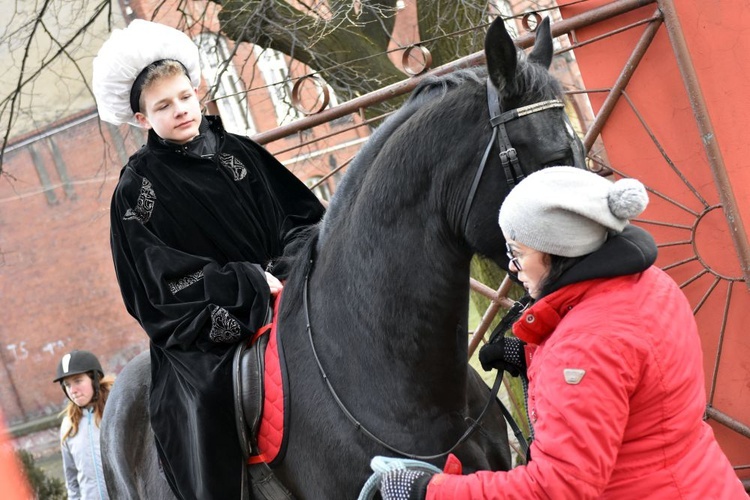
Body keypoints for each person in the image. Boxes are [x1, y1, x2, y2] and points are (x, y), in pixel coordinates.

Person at [377, 166, 746, 499]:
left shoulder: (582, 348)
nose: (513, 265)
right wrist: (532, 356)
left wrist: (430, 491)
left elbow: (555, 489)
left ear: (554, 253)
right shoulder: (647, 284)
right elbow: (629, 375)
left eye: (518, 252)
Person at [91, 20, 325, 500]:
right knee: (205, 404)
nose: (179, 111)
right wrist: (245, 282)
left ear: (196, 90)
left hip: (290, 288)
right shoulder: (139, 190)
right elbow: (158, 284)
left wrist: (287, 268)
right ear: (141, 119)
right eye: (163, 106)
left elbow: (302, 218)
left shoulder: (238, 152)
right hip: (204, 326)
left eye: (183, 96)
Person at [53, 350, 114, 500]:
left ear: (95, 379)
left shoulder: (115, 412)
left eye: (78, 381)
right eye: (67, 385)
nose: (73, 390)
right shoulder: (68, 425)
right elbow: (71, 479)